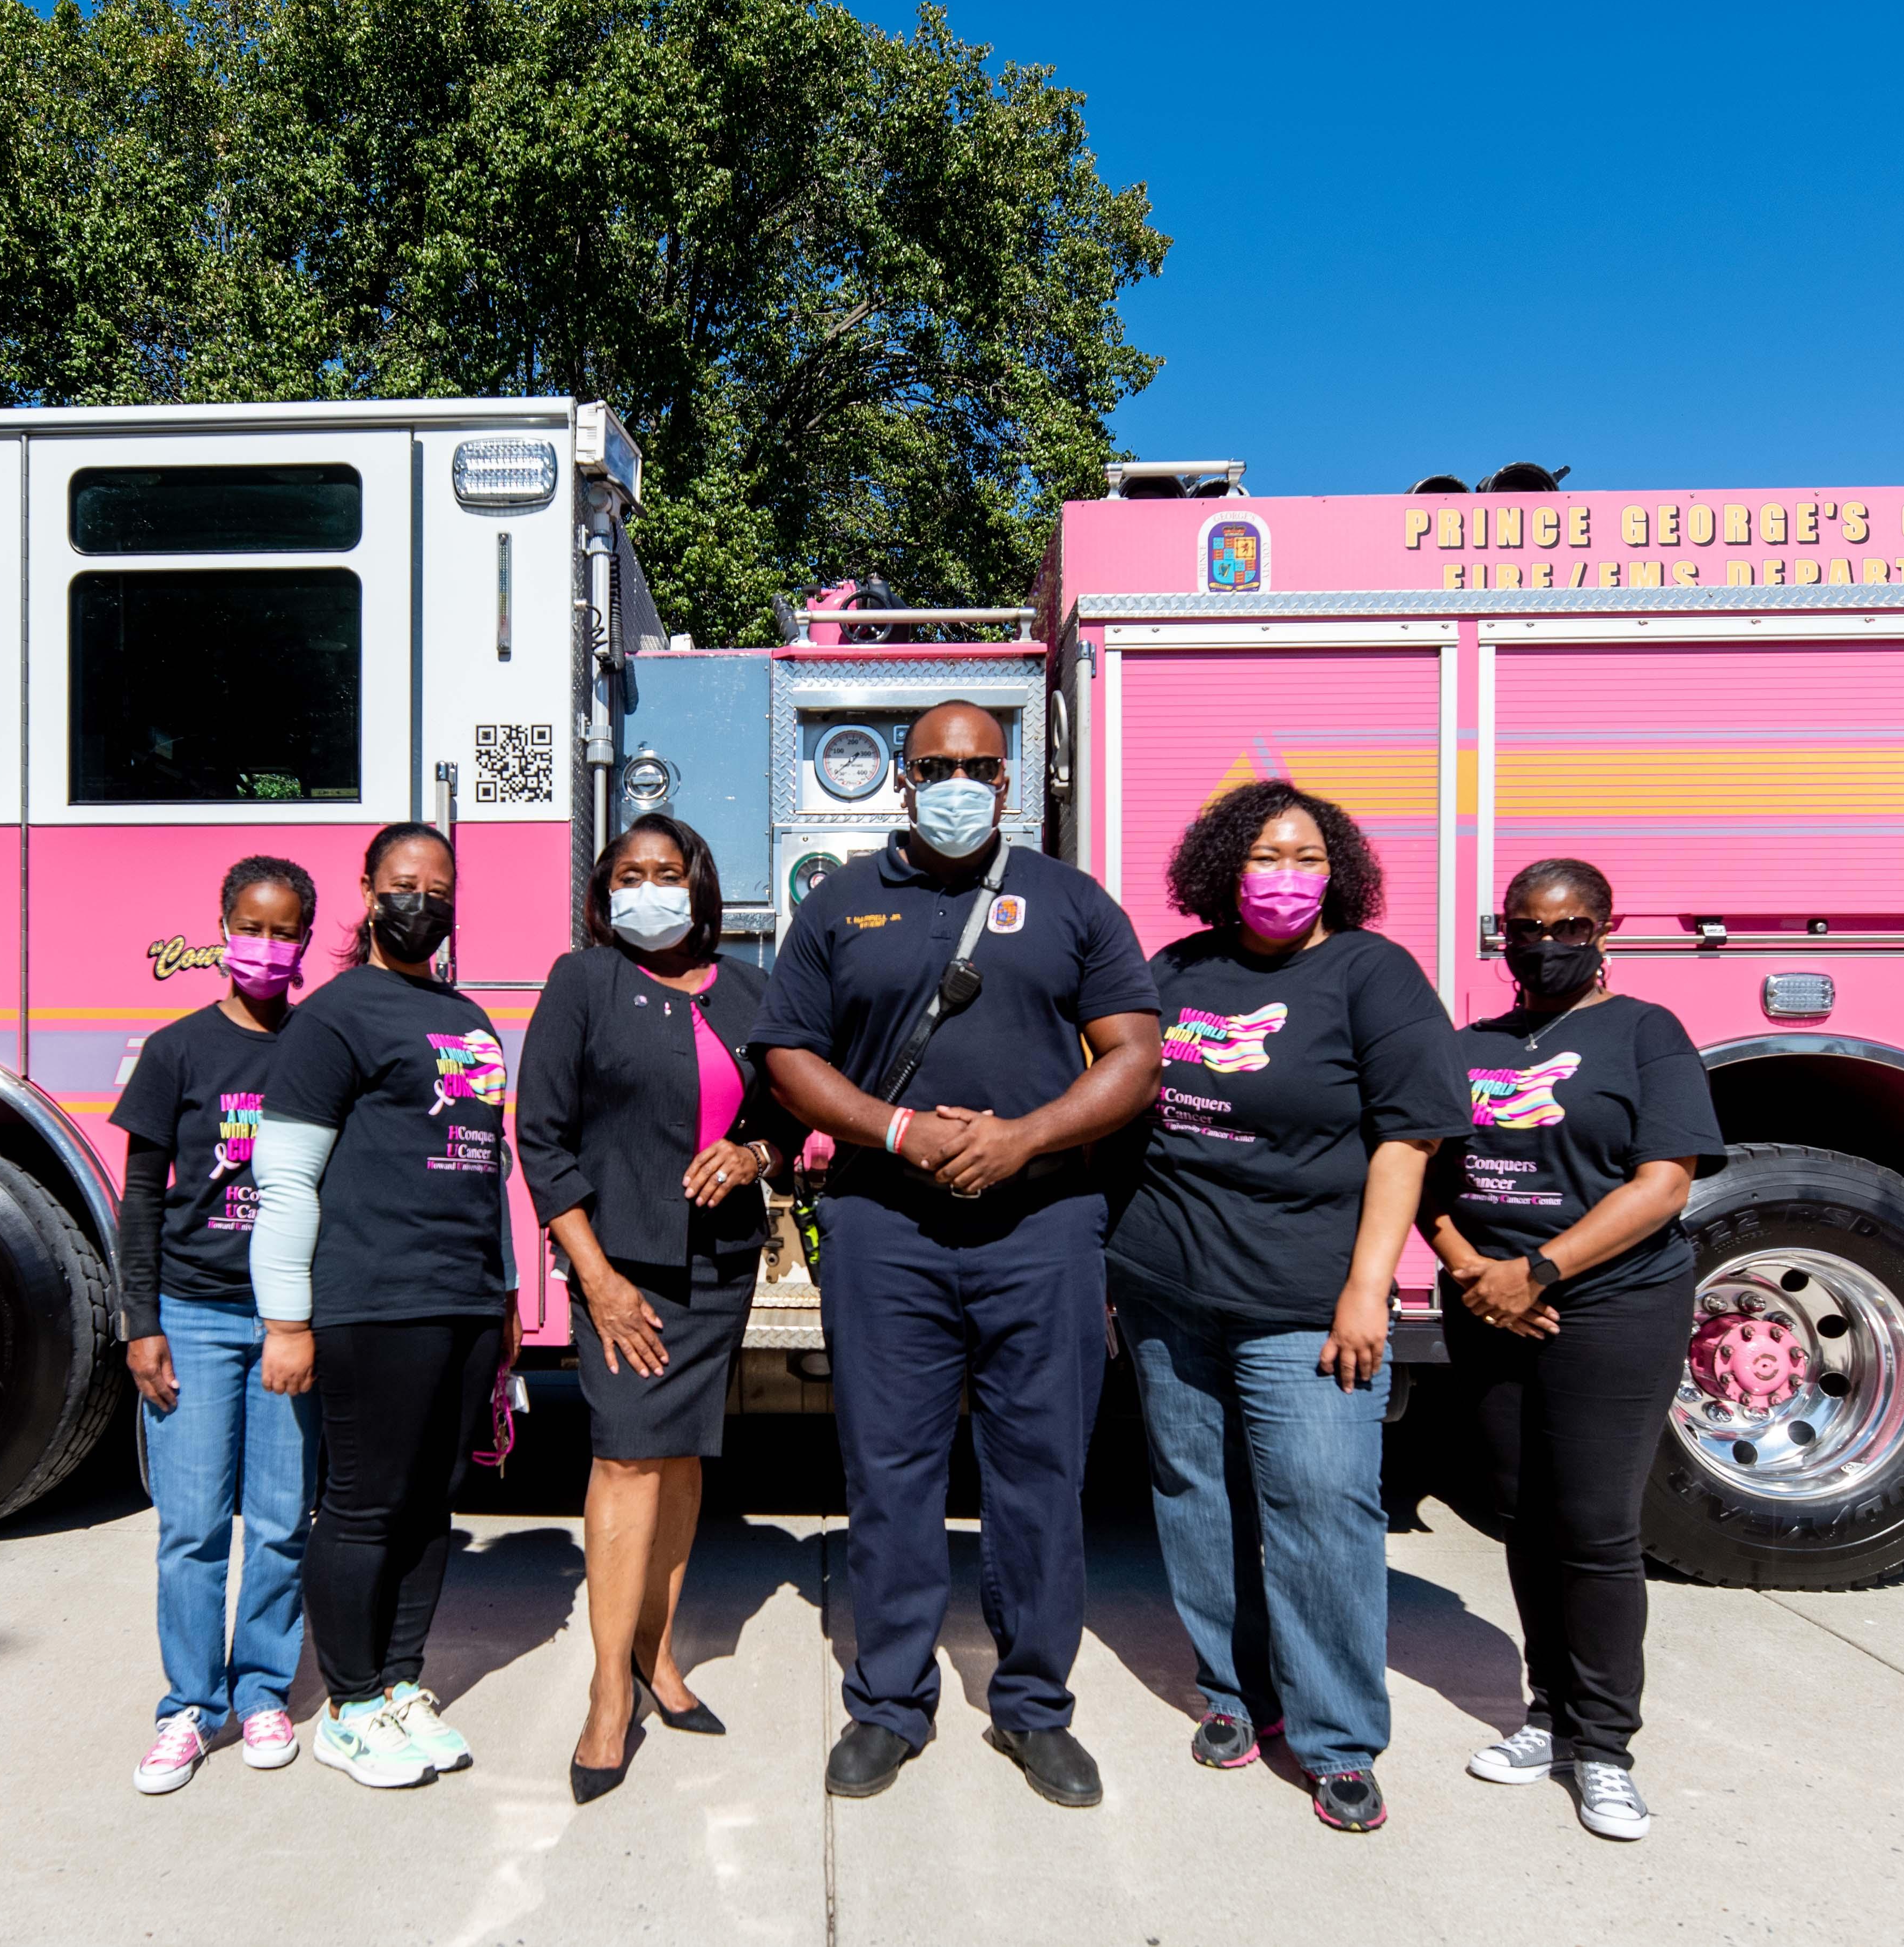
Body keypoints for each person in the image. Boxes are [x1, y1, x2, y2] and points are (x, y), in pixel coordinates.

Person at [756, 699, 1162, 1809]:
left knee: (1041, 1475)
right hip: (886, 1230)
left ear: (1009, 778)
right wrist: (897, 1130)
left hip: (1042, 1229)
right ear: (901, 776)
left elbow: (1135, 1053)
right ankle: (888, 1703)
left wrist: (1025, 1137)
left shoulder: (1071, 900)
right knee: (889, 1472)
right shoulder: (841, 903)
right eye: (937, 764)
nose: (958, 783)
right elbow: (788, 1053)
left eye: (981, 766)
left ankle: (1033, 1707)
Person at [1107, 781, 1462, 1834]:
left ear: (1337, 872)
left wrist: (1370, 1287)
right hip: (1169, 1290)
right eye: (1265, 853)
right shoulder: (1176, 972)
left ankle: (1337, 1738)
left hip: (1308, 1301)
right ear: (1224, 867)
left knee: (1322, 1513)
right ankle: (1232, 1691)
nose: (1284, 874)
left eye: (1306, 855)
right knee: (1195, 1499)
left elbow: (1408, 1137)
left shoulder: (1370, 974)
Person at [1428, 855, 1722, 1843]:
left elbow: (1663, 1184)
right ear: (1499, 930)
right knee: (1519, 1516)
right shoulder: (1469, 1043)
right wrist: (1477, 1272)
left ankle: (1604, 1749)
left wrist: (1540, 1272)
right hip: (1486, 1303)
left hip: (1608, 1305)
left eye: (1568, 925)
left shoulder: (1645, 1032)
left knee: (1593, 1525)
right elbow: (1424, 1179)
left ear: (1606, 929)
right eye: (1524, 925)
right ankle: (1546, 1715)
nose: (1544, 944)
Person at [515, 816, 780, 1804]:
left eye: (666, 872)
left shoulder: (749, 993)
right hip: (619, 1265)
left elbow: (788, 1119)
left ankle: (658, 1657)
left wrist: (757, 1154)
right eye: (629, 874)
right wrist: (595, 1276)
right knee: (625, 1456)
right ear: (604, 892)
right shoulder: (581, 981)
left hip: (717, 1265)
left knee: (679, 1457)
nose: (648, 888)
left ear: (700, 886)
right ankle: (605, 1692)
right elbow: (540, 1137)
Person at [251, 821, 516, 1791]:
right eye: (403, 883)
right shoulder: (334, 1018)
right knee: (363, 1505)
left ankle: (402, 1683)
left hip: (461, 1298)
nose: (421, 899)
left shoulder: (467, 1016)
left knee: (429, 1499)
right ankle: (351, 1702)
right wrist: (287, 1320)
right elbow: (285, 1179)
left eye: (437, 886)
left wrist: (506, 1297)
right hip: (372, 1298)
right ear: (367, 892)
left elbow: (488, 1170)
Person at [113, 856, 326, 1795]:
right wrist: (140, 1319)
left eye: (285, 932)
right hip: (193, 1319)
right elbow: (141, 1197)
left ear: (307, 941)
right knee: (192, 1526)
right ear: (222, 925)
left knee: (280, 1523)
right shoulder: (176, 1051)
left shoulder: (322, 1050)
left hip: (287, 1324)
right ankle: (190, 1709)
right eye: (252, 925)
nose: (267, 946)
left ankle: (262, 1689)